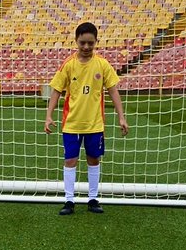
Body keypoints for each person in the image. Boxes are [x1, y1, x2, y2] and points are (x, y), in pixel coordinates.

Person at [44, 21, 129, 215]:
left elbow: (113, 91)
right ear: (76, 41)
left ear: (96, 42)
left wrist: (121, 117)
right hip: (71, 124)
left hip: (95, 124)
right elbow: (56, 90)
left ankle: (93, 198)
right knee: (70, 160)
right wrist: (48, 116)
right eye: (82, 42)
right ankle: (69, 200)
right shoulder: (69, 64)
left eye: (90, 43)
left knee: (94, 159)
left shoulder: (102, 64)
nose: (86, 47)